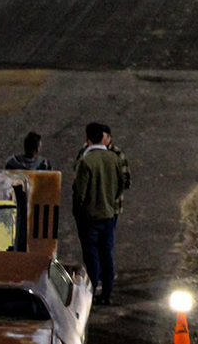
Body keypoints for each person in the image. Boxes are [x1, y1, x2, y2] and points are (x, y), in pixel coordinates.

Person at [72, 122, 130, 305]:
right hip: (109, 215)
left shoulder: (85, 161)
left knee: (92, 256)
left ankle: (91, 292)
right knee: (107, 254)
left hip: (91, 217)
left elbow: (79, 193)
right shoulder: (114, 158)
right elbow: (122, 183)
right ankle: (107, 293)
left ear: (87, 138)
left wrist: (80, 212)